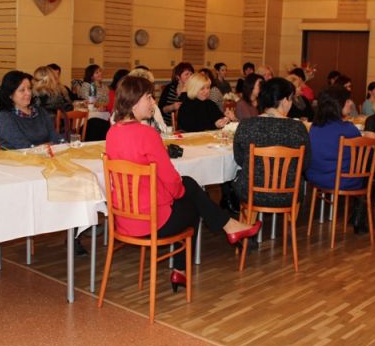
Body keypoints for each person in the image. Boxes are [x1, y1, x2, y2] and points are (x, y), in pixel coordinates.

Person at [105, 75, 261, 290]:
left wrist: (178, 190)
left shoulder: (112, 132)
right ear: (134, 102)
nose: (153, 102)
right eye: (149, 97)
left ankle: (226, 230)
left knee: (189, 186)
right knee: (194, 201)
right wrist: (178, 193)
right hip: (151, 222)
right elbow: (171, 182)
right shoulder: (147, 134)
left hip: (124, 219)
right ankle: (183, 267)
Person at [233, 77, 310, 207]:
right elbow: (305, 163)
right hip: (289, 193)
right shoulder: (298, 128)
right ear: (285, 100)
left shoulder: (246, 125)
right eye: (291, 99)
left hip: (251, 192)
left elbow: (239, 159)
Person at [306, 85, 369, 233]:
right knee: (370, 168)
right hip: (341, 180)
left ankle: (359, 215)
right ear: (338, 104)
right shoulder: (348, 129)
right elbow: (362, 154)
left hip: (316, 177)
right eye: (347, 101)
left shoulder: (314, 127)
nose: (351, 103)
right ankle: (360, 216)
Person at [0, 70, 61, 150]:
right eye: (22, 90)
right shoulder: (5, 117)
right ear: (10, 94)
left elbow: (55, 138)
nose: (28, 93)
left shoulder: (41, 112)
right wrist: (45, 146)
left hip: (47, 155)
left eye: (29, 88)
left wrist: (49, 146)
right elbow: (23, 146)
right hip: (19, 157)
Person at [158, 62, 194, 127]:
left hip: (185, 125)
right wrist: (172, 107)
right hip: (166, 124)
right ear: (178, 77)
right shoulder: (169, 88)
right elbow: (160, 109)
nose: (190, 76)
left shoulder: (193, 90)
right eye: (186, 74)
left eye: (191, 74)